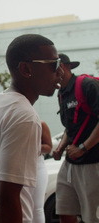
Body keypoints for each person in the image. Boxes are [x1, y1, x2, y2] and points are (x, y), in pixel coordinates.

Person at [0, 34, 63, 223]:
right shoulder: (23, 116)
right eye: (54, 64)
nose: (61, 72)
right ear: (26, 69)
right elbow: (7, 198)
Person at [52, 53, 99, 223]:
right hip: (70, 163)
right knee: (64, 209)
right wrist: (60, 147)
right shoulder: (62, 93)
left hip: (92, 162)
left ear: (63, 67)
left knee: (91, 216)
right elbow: (70, 127)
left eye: (51, 67)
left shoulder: (88, 85)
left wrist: (83, 148)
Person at [29, 121, 52, 223]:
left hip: (37, 166)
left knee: (37, 207)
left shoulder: (41, 124)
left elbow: (49, 147)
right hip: (18, 165)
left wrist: (36, 147)